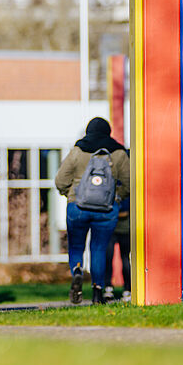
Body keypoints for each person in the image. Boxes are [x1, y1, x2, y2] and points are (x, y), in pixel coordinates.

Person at [54, 117, 130, 305]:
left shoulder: (78, 150)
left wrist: (70, 194)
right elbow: (130, 183)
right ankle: (98, 291)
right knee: (99, 248)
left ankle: (78, 270)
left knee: (76, 246)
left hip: (77, 207)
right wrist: (116, 197)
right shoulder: (118, 153)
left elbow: (60, 180)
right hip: (106, 209)